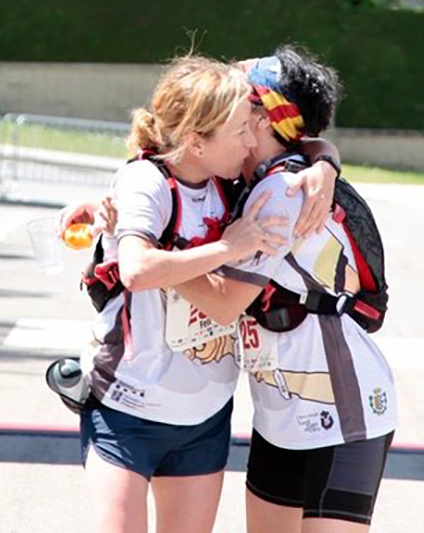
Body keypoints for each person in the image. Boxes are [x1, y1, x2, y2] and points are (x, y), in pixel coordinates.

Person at [173, 46, 397, 532]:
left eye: (237, 96)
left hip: (342, 413)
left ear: (261, 117)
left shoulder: (281, 191)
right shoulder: (252, 180)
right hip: (279, 416)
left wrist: (151, 259)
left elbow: (225, 303)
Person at [78, 54, 286, 533]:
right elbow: (136, 269)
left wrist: (326, 164)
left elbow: (303, 146)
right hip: (126, 407)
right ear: (195, 141)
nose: (250, 141)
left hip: (204, 415)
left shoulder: (231, 181)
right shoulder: (146, 181)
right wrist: (227, 247)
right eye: (240, 130)